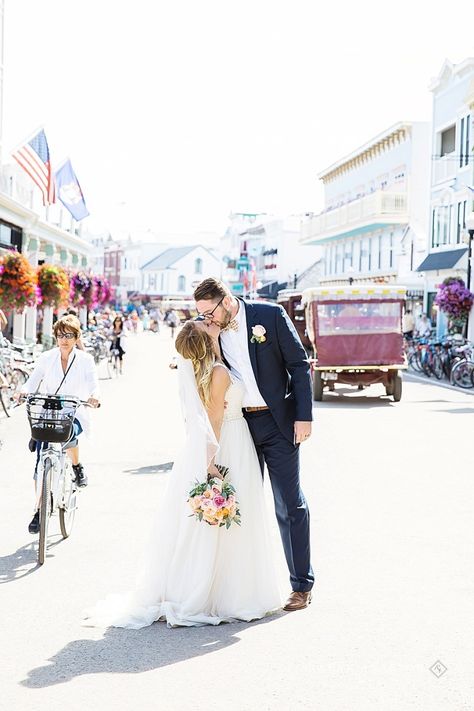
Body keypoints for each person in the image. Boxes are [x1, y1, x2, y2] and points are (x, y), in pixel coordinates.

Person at [83, 319, 282, 628]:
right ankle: (225, 593)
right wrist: (212, 464)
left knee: (225, 524)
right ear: (204, 343)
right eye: (205, 324)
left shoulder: (213, 366)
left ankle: (227, 586)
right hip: (229, 442)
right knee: (229, 521)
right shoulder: (217, 374)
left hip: (233, 439)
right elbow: (215, 418)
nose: (209, 322)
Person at [193, 277, 314, 611]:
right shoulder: (213, 331)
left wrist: (304, 416)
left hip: (279, 423)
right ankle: (243, 588)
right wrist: (212, 340)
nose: (208, 320)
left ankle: (302, 585)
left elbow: (299, 366)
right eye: (202, 315)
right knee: (242, 504)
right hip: (241, 425)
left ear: (226, 300)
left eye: (210, 312)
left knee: (289, 503)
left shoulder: (270, 315)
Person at [20, 315, 100, 533]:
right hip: (47, 413)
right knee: (39, 463)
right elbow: (33, 380)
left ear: (76, 337)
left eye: (69, 335)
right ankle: (38, 510)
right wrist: (24, 391)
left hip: (73, 412)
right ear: (55, 336)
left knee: (68, 435)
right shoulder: (47, 358)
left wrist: (94, 396)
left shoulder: (85, 360)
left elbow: (94, 383)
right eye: (60, 335)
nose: (64, 339)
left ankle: (76, 466)